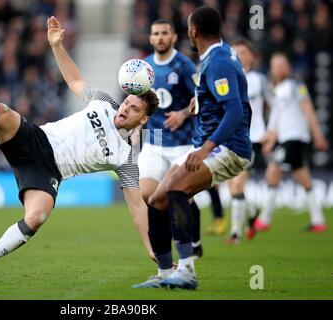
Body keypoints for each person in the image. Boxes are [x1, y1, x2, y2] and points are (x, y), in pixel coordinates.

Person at [0, 16, 160, 279]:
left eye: (134, 109)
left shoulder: (125, 158)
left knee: (36, 217)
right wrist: (57, 46)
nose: (126, 108)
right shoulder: (105, 102)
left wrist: (153, 249)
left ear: (142, 119)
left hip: (49, 172)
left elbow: (137, 207)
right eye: (127, 102)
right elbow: (75, 81)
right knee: (3, 113)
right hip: (37, 139)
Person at [134, 6, 252, 290]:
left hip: (226, 147)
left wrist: (205, 148)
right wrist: (195, 107)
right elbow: (217, 101)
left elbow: (234, 111)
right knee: (158, 198)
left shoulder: (219, 61)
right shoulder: (215, 57)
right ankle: (165, 272)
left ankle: (187, 269)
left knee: (176, 190)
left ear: (192, 31)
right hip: (206, 144)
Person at [254, 53, 329, 233]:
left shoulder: (297, 86)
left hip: (295, 138)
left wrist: (318, 134)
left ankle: (263, 220)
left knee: (273, 172)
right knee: (302, 178)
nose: (278, 68)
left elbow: (309, 110)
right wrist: (270, 138)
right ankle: (318, 221)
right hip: (285, 138)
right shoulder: (277, 91)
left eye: (281, 64)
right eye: (275, 65)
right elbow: (276, 119)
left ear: (288, 67)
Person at [226, 38, 272, 243]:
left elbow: (275, 105)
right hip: (228, 138)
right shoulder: (226, 79)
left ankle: (236, 233)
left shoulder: (259, 80)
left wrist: (271, 132)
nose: (239, 56)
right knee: (233, 186)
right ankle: (252, 214)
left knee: (236, 186)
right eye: (235, 52)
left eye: (243, 52)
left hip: (251, 140)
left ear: (252, 56)